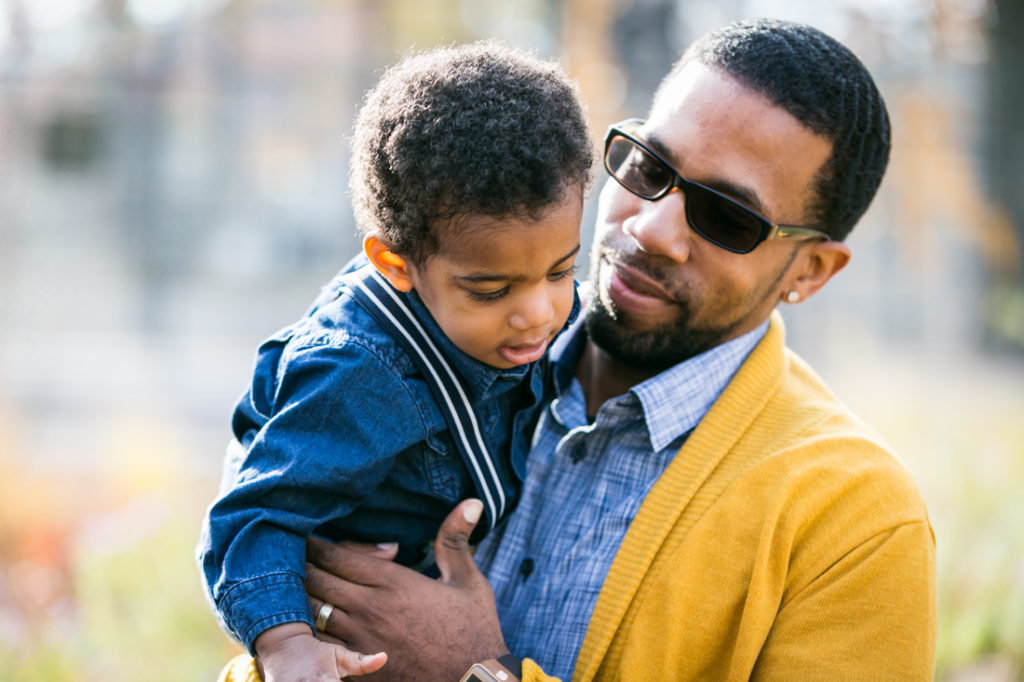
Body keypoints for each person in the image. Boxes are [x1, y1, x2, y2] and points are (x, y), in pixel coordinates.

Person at [221, 17, 939, 682]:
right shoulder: (415, 352)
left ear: (810, 272)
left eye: (725, 214)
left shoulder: (859, 522)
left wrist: (475, 671)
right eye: (650, 166)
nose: (651, 227)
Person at [198, 41, 593, 682]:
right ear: (396, 264)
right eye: (491, 291)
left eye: (561, 270)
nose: (540, 313)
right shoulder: (360, 374)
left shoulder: (541, 310)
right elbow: (253, 517)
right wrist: (289, 647)